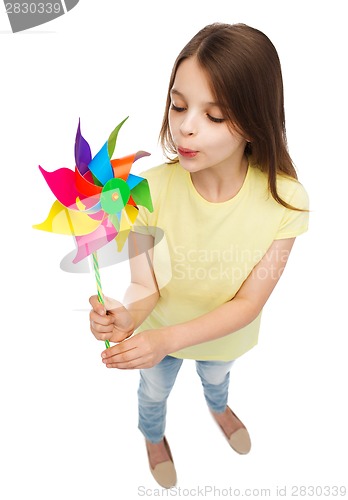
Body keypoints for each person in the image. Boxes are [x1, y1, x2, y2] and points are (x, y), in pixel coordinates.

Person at [89, 22, 309, 489]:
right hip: (155, 337)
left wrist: (168, 339)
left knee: (216, 379)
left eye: (214, 115)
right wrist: (126, 315)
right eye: (179, 105)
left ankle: (217, 407)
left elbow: (249, 304)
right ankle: (153, 435)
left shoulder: (287, 201)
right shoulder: (143, 190)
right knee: (153, 393)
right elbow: (145, 284)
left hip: (222, 338)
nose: (186, 126)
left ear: (255, 118)